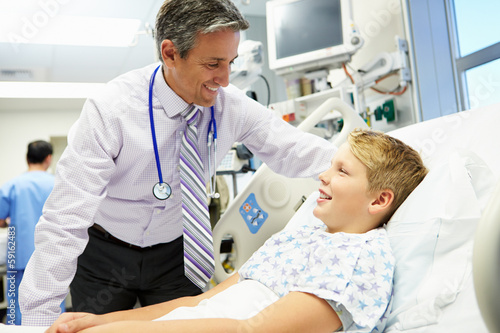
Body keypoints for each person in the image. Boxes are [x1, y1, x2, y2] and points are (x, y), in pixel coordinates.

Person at [19, 0, 337, 326]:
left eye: (231, 62)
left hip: (177, 254)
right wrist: (35, 322)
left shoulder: (232, 107)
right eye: (214, 63)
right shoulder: (111, 110)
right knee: (95, 328)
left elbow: (296, 150)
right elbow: (65, 221)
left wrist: (366, 168)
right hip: (105, 256)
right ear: (170, 53)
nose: (226, 79)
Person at [40, 128, 428, 333]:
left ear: (379, 201)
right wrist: (102, 322)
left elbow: (251, 330)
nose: (323, 176)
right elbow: (198, 304)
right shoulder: (299, 237)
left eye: (341, 171)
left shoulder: (357, 259)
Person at [0, 140, 58, 325]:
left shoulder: (12, 186)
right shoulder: (58, 183)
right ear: (48, 159)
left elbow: (0, 218)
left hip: (18, 253)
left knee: (17, 303)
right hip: (51, 255)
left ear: (27, 158)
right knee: (52, 302)